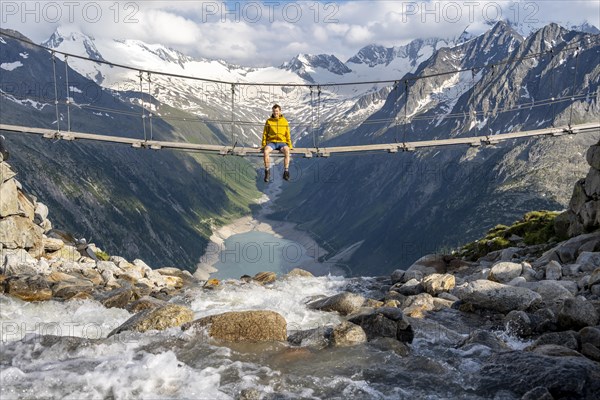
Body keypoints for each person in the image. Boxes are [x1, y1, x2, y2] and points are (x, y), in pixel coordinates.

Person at [261, 104, 293, 182]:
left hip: (282, 142)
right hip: (272, 142)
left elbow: (287, 134)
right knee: (265, 151)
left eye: (277, 111)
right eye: (274, 111)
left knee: (287, 151)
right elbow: (265, 133)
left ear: (280, 111)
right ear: (272, 111)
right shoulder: (269, 121)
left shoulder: (284, 121)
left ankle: (286, 172)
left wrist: (289, 145)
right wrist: (263, 145)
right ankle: (267, 172)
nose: (275, 113)